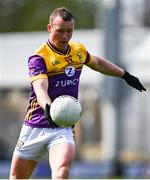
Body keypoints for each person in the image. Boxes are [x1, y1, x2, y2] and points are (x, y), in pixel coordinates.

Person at [9, 7, 146, 180]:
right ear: (50, 28)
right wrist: (47, 107)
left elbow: (97, 62)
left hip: (62, 126)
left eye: (69, 31)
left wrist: (124, 74)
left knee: (62, 171)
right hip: (34, 126)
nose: (65, 36)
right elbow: (40, 87)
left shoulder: (77, 51)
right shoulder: (39, 57)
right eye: (60, 31)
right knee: (16, 177)